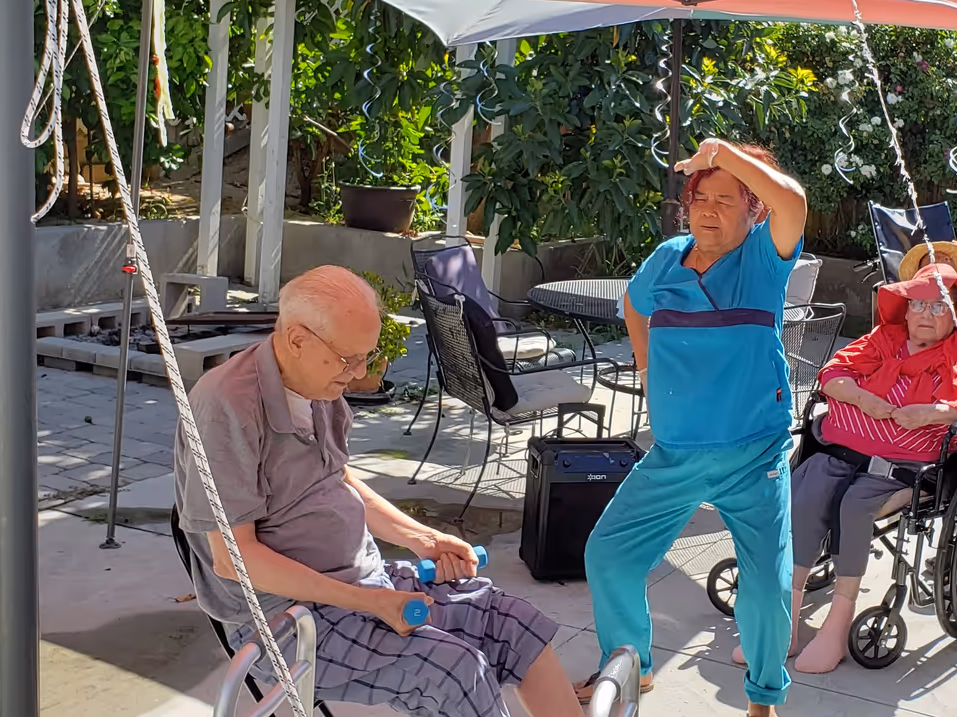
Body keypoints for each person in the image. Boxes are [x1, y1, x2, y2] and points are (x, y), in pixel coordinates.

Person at [172, 265, 580, 717]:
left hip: (361, 582)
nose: (360, 372)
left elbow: (339, 481)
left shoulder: (318, 384)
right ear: (297, 339)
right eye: (348, 358)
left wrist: (422, 538)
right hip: (286, 620)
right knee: (453, 671)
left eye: (366, 356)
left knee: (512, 624)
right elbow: (234, 559)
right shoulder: (226, 407)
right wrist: (371, 602)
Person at [581, 139, 808, 717]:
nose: (707, 210)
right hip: (674, 455)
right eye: (699, 198)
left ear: (752, 208)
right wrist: (644, 361)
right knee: (609, 555)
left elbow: (795, 202)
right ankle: (633, 665)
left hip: (752, 456)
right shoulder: (666, 257)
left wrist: (724, 153)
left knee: (767, 588)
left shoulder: (761, 260)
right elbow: (635, 304)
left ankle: (763, 697)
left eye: (725, 199)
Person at [780, 252, 957, 673]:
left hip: (901, 469)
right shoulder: (884, 338)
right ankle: (785, 611)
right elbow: (832, 374)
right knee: (808, 487)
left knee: (855, 504)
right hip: (844, 451)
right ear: (905, 306)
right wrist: (864, 398)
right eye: (918, 303)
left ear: (955, 314)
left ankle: (837, 623)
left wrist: (931, 413)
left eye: (938, 306)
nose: (926, 314)